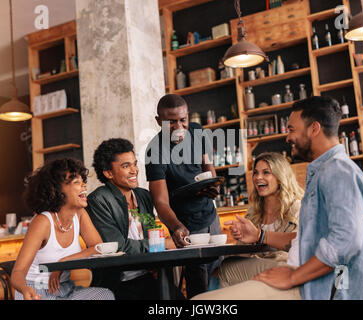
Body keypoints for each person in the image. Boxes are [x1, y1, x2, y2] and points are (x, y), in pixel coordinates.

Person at [193, 96, 363, 300]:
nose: (288, 138)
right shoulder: (326, 170)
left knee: (200, 302)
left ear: (314, 129)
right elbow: (308, 239)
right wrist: (261, 236)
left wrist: (294, 276)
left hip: (312, 288)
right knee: (226, 273)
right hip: (305, 279)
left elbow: (345, 243)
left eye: (291, 129)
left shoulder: (338, 172)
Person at [145, 93, 223, 298]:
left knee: (220, 276)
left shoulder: (197, 131)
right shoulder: (154, 151)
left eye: (183, 120)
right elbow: (160, 202)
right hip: (186, 224)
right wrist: (176, 227)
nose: (179, 126)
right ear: (158, 121)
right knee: (199, 285)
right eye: (171, 122)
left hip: (210, 216)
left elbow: (207, 165)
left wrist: (213, 183)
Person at [11, 158, 115, 300]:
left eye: (83, 181)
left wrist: (63, 263)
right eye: (76, 182)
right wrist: (24, 289)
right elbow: (18, 272)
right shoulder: (43, 222)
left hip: (65, 289)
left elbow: (99, 247)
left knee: (104, 295)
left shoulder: (80, 215)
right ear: (57, 190)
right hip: (37, 290)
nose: (84, 185)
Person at [86, 138, 176, 300]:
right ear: (108, 173)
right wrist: (162, 244)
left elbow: (151, 234)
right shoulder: (98, 200)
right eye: (126, 166)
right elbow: (116, 246)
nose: (134, 170)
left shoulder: (143, 196)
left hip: (149, 277)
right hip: (119, 283)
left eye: (134, 164)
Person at [217, 152, 303, 288]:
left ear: (280, 177)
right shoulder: (253, 212)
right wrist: (241, 237)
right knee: (228, 263)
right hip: (259, 273)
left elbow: (301, 247)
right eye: (255, 173)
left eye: (266, 172)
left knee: (227, 268)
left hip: (288, 270)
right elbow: (242, 255)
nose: (258, 178)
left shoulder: (297, 208)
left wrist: (258, 236)